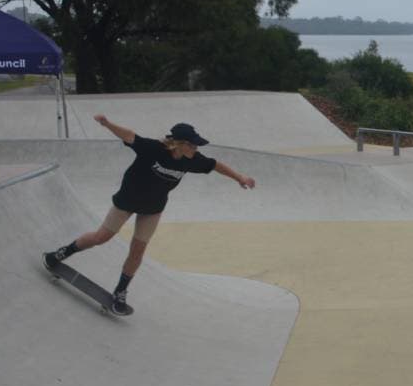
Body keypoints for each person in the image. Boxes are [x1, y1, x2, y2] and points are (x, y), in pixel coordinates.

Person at [43, 116, 256, 314]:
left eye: (196, 145)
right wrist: (107, 124)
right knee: (101, 238)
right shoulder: (153, 149)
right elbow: (129, 136)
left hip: (153, 209)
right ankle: (61, 253)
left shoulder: (193, 160)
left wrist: (240, 177)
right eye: (192, 144)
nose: (196, 148)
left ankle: (120, 292)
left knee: (138, 250)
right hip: (127, 201)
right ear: (178, 143)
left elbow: (216, 165)